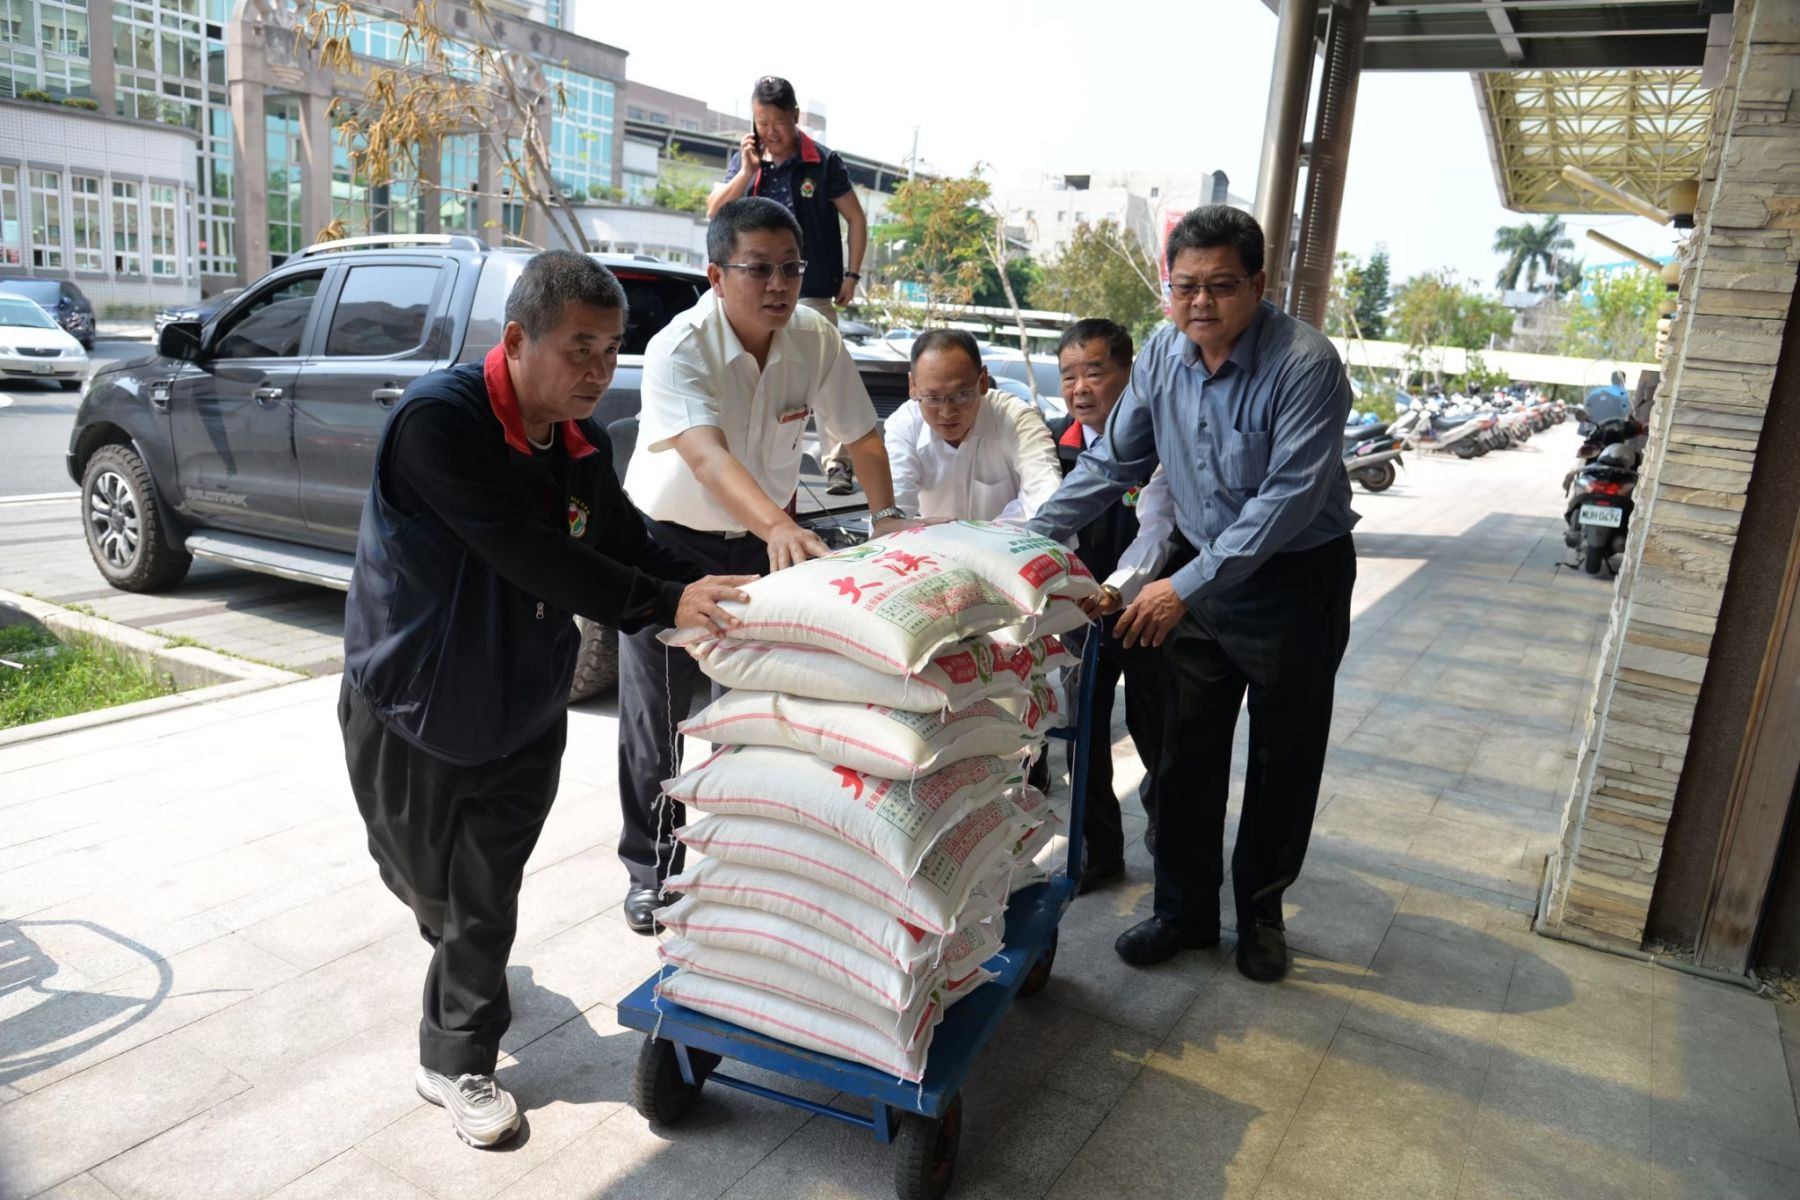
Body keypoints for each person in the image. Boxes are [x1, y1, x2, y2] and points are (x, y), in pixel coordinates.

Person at [340, 251, 753, 1148]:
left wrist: (722, 587)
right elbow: (526, 549)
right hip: (412, 702)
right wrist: (657, 605)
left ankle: (455, 1058)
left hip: (523, 703)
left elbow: (623, 537)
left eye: (612, 351)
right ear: (518, 339)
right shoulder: (437, 424)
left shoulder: (581, 443)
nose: (599, 371)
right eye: (580, 350)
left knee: (485, 891)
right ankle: (453, 943)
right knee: (424, 883)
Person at [1028, 206, 1358, 983]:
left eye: (1220, 286)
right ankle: (1183, 911)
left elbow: (1285, 503)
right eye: (1185, 287)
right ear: (1168, 288)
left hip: (1294, 578)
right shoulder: (1163, 361)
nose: (1200, 303)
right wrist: (1031, 538)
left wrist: (1184, 583)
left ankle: (1263, 916)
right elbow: (1111, 464)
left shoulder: (1306, 364)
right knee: (1182, 752)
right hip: (1205, 576)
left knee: (1284, 756)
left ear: (1259, 285)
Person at [618, 196, 905, 934]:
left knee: (762, 713)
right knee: (665, 719)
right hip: (666, 547)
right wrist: (780, 524)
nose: (778, 285)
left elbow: (863, 436)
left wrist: (889, 521)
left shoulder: (812, 338)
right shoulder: (680, 346)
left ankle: (747, 858)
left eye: (791, 268)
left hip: (759, 546)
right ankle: (654, 872)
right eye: (758, 270)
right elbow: (706, 457)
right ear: (717, 274)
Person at [1049, 318, 1175, 893]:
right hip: (1079, 620)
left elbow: (1157, 533)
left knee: (1161, 739)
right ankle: (1099, 853)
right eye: (1068, 375)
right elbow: (1040, 518)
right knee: (1084, 739)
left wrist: (1118, 590)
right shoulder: (1057, 446)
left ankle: (1170, 844)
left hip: (1145, 616)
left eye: (1094, 373)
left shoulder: (1157, 448)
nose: (1080, 388)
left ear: (1129, 377)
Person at [708, 75, 867, 496]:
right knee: (750, 371)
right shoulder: (746, 157)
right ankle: (749, 460)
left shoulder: (822, 161)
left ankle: (838, 463)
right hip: (750, 291)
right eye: (761, 122)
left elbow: (856, 218)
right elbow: (715, 212)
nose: (769, 132)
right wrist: (746, 172)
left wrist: (851, 275)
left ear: (795, 117)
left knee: (827, 374)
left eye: (777, 122)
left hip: (810, 288)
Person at [882, 328, 1061, 522]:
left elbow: (1047, 504)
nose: (947, 412)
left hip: (1008, 547)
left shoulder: (1016, 418)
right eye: (933, 397)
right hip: (933, 548)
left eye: (961, 395)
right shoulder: (905, 425)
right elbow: (892, 513)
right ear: (913, 387)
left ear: (983, 381)